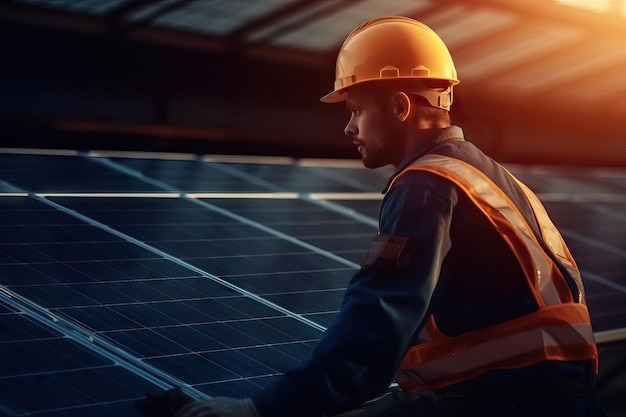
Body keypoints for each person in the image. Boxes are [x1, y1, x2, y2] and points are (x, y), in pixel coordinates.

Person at [136, 16, 608, 417]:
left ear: (401, 107)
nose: (348, 126)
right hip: (550, 392)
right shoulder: (486, 175)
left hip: (504, 398)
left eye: (358, 109)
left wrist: (261, 409)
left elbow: (376, 323)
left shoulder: (428, 184)